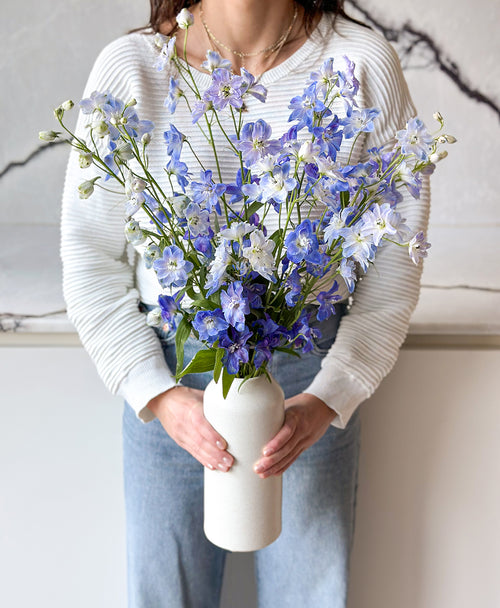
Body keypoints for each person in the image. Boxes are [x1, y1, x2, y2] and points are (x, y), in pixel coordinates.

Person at [60, 1, 430, 606]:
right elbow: (89, 255)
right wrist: (154, 393)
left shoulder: (361, 65)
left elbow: (393, 265)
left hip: (311, 377)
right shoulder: (133, 70)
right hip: (169, 373)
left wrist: (330, 397)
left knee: (311, 596)